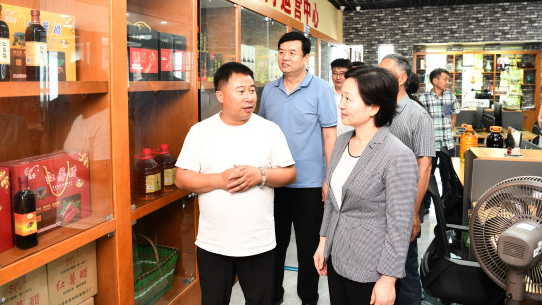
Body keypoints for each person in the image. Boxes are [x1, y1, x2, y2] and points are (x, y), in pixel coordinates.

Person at [175, 62, 296, 305]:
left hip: (258, 243)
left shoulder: (269, 130)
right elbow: (181, 178)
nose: (249, 97)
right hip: (213, 243)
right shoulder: (200, 132)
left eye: (252, 90)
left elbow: (290, 174)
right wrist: (219, 180)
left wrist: (260, 175)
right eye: (240, 91)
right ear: (220, 95)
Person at [313, 66, 418, 305]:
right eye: (341, 96)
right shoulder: (342, 142)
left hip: (371, 268)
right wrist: (323, 242)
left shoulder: (397, 155)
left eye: (348, 99)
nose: (341, 105)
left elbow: (399, 227)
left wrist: (388, 279)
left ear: (373, 107)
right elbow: (333, 201)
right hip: (337, 259)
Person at [258, 31, 337, 305]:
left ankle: (308, 298)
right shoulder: (269, 90)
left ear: (306, 57)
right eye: (281, 52)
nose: (285, 57)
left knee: (307, 247)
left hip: (310, 184)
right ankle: (273, 296)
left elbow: (330, 136)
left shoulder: (321, 90)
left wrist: (329, 179)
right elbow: (262, 133)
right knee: (273, 245)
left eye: (292, 52)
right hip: (275, 181)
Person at [379, 54, 434, 305]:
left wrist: (414, 212)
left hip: (403, 204)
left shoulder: (417, 115)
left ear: (402, 79)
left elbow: (425, 167)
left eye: (386, 73)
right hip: (379, 202)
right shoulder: (378, 109)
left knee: (405, 267)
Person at [419, 68, 460, 209]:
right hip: (429, 144)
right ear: (435, 81)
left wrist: (449, 132)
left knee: (447, 176)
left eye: (448, 79)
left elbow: (453, 116)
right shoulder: (423, 99)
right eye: (445, 79)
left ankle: (446, 205)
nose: (448, 82)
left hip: (447, 144)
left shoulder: (451, 97)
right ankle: (426, 205)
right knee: (427, 175)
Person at [331, 58, 354, 136]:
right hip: (329, 139)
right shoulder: (325, 94)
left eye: (342, 74)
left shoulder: (356, 95)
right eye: (335, 73)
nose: (338, 77)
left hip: (351, 137)